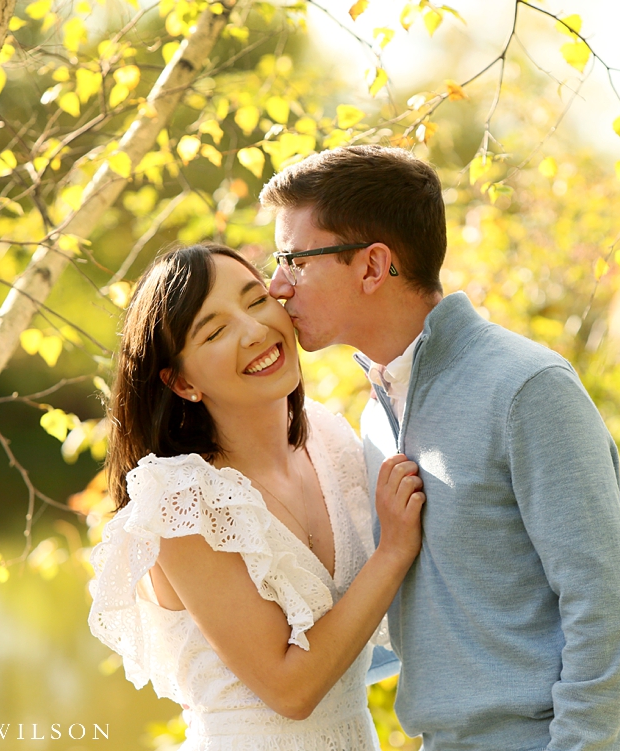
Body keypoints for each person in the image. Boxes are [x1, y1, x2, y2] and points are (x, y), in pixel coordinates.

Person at [260, 145, 620, 751]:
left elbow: (606, 603)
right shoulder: (375, 416)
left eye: (293, 259)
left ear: (371, 267)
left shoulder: (527, 388)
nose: (276, 285)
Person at [87, 243, 426, 750]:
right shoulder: (181, 501)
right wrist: (393, 551)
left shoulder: (331, 443)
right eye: (216, 330)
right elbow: (291, 689)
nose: (254, 330)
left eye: (255, 300)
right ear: (181, 382)